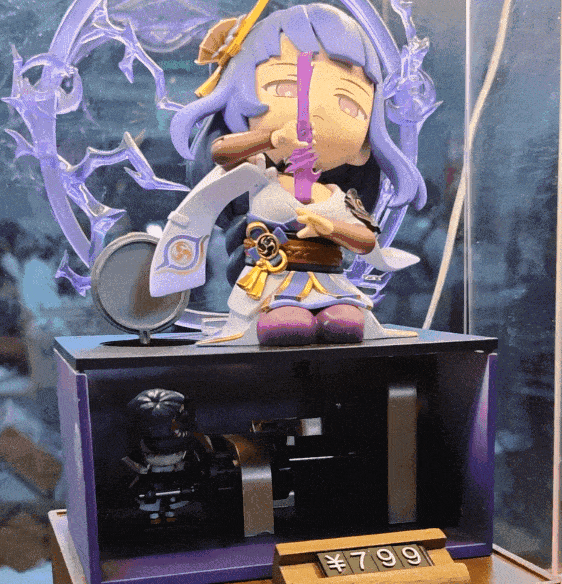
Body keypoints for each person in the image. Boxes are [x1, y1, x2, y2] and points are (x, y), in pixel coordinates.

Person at [150, 2, 427, 345]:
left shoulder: (338, 197)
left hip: (331, 283)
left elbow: (367, 241)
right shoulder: (258, 177)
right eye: (285, 87)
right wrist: (272, 138)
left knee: (346, 324)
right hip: (271, 284)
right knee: (288, 325)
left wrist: (331, 228)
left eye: (348, 104)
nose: (312, 113)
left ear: (363, 149)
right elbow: (221, 152)